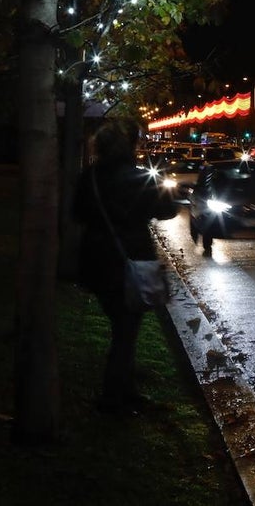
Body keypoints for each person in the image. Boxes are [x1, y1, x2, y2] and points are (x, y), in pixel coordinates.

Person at [72, 117, 180, 415]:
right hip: (130, 262)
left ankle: (126, 390)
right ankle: (112, 399)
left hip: (96, 261)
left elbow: (77, 213)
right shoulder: (139, 178)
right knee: (125, 331)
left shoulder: (89, 177)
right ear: (130, 146)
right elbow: (168, 211)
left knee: (123, 327)